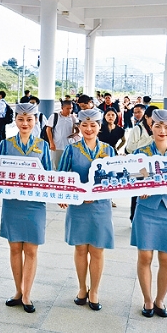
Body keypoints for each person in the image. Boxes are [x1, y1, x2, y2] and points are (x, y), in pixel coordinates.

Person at [131, 109, 167, 318]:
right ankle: (147, 300)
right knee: (145, 256)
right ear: (151, 127)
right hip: (147, 209)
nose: (162, 130)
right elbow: (132, 179)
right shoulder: (140, 153)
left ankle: (160, 300)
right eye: (158, 126)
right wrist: (140, 187)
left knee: (166, 258)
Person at [0, 102, 52, 313]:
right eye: (21, 119)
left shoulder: (42, 146)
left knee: (31, 249)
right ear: (15, 120)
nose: (25, 123)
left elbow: (49, 174)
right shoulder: (6, 144)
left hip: (34, 204)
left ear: (35, 121)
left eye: (29, 119)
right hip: (12, 203)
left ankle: (27, 294)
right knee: (14, 248)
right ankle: (17, 292)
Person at [58, 109, 115, 311]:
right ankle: (82, 288)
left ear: (99, 127)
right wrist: (63, 195)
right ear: (79, 127)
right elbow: (61, 176)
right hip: (78, 206)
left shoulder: (109, 150)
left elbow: (116, 180)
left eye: (93, 125)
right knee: (81, 248)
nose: (89, 129)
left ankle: (95, 291)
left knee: (97, 249)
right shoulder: (71, 150)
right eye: (84, 125)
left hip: (100, 206)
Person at [125, 105, 156, 221]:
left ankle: (147, 218)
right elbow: (129, 148)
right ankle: (134, 218)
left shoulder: (158, 129)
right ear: (146, 117)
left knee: (150, 190)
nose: (156, 122)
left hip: (152, 166)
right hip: (138, 166)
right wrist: (149, 139)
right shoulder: (138, 129)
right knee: (137, 191)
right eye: (153, 119)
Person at [45, 99, 79, 169]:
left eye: (71, 108)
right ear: (62, 108)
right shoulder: (55, 116)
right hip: (57, 146)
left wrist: (76, 133)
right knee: (56, 165)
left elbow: (77, 130)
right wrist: (51, 143)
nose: (70, 110)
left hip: (68, 146)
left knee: (67, 166)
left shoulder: (73, 118)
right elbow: (48, 129)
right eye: (67, 108)